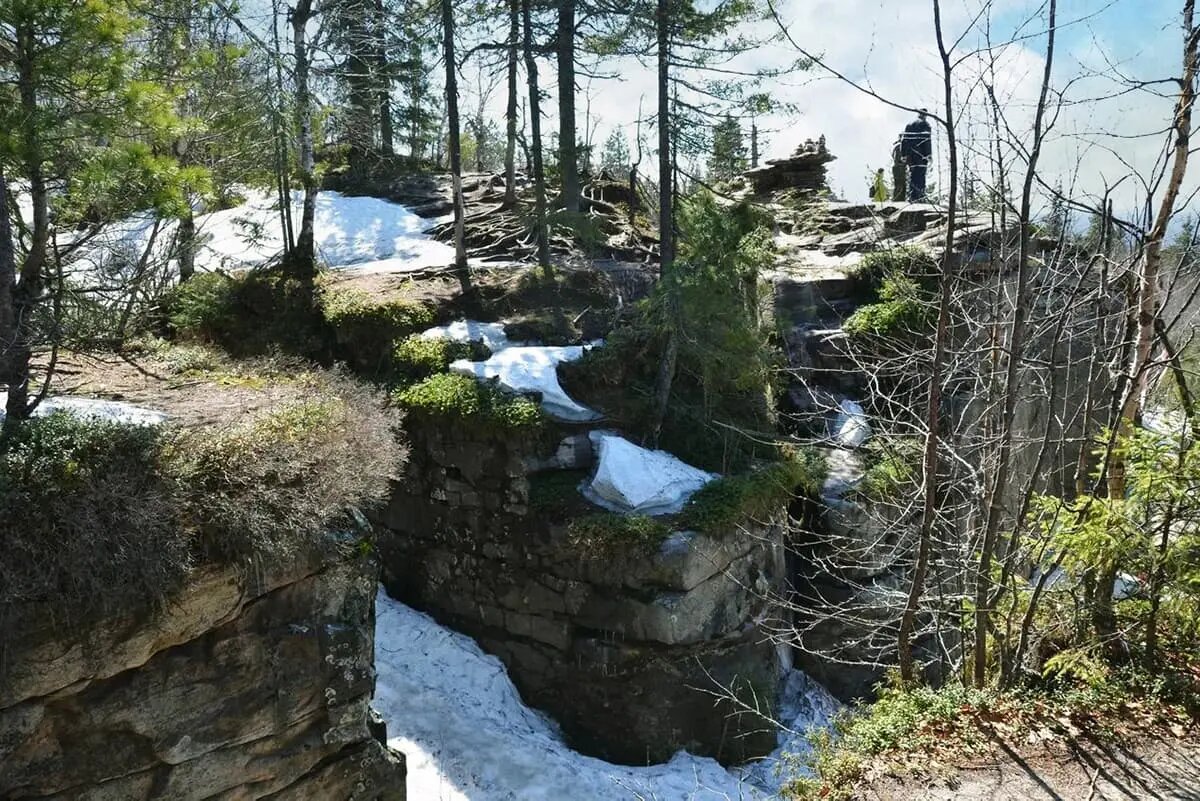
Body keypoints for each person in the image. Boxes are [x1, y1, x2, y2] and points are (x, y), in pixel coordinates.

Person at [900, 108, 932, 202]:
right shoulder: (925, 125)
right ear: (926, 115)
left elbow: (904, 140)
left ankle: (912, 197)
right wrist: (928, 154)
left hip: (911, 156)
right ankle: (920, 197)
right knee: (921, 176)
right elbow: (927, 141)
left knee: (913, 175)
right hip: (921, 155)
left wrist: (904, 154)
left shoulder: (909, 125)